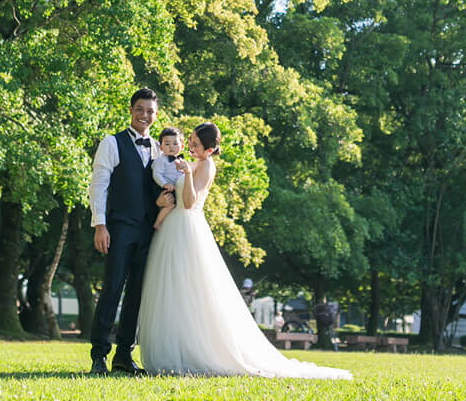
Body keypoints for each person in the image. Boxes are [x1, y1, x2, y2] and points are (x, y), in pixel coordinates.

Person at [138, 122, 352, 380]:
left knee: (191, 289)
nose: (191, 146)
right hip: (172, 229)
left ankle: (193, 351)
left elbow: (190, 202)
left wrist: (189, 174)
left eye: (196, 144)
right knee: (171, 289)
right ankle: (170, 350)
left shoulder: (205, 166)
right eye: (191, 141)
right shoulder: (189, 162)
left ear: (210, 149)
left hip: (188, 228)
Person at [88, 87, 170, 376]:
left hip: (149, 231)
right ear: (131, 110)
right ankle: (99, 355)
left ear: (156, 115)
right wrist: (100, 224)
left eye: (150, 111)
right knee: (111, 290)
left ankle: (124, 355)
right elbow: (99, 185)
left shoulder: (162, 149)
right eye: (140, 109)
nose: (144, 115)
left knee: (137, 294)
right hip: (120, 228)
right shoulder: (112, 143)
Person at [151, 127, 185, 230]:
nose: (171, 147)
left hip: (175, 188)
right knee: (170, 205)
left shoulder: (182, 161)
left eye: (175, 143)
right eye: (167, 144)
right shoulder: (160, 161)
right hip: (163, 188)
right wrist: (164, 184)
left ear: (182, 146)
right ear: (161, 147)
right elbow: (156, 174)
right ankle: (157, 222)